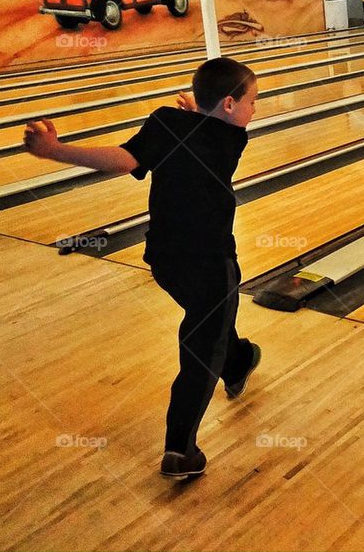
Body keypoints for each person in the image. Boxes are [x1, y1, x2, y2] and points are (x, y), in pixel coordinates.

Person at [23, 57, 263, 481]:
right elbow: (210, 130)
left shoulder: (166, 123)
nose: (255, 109)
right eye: (252, 101)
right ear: (228, 105)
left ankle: (239, 360)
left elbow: (124, 160)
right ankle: (179, 450)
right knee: (200, 347)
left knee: (209, 324)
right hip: (212, 262)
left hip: (165, 260)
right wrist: (199, 113)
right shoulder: (232, 138)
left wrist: (54, 150)